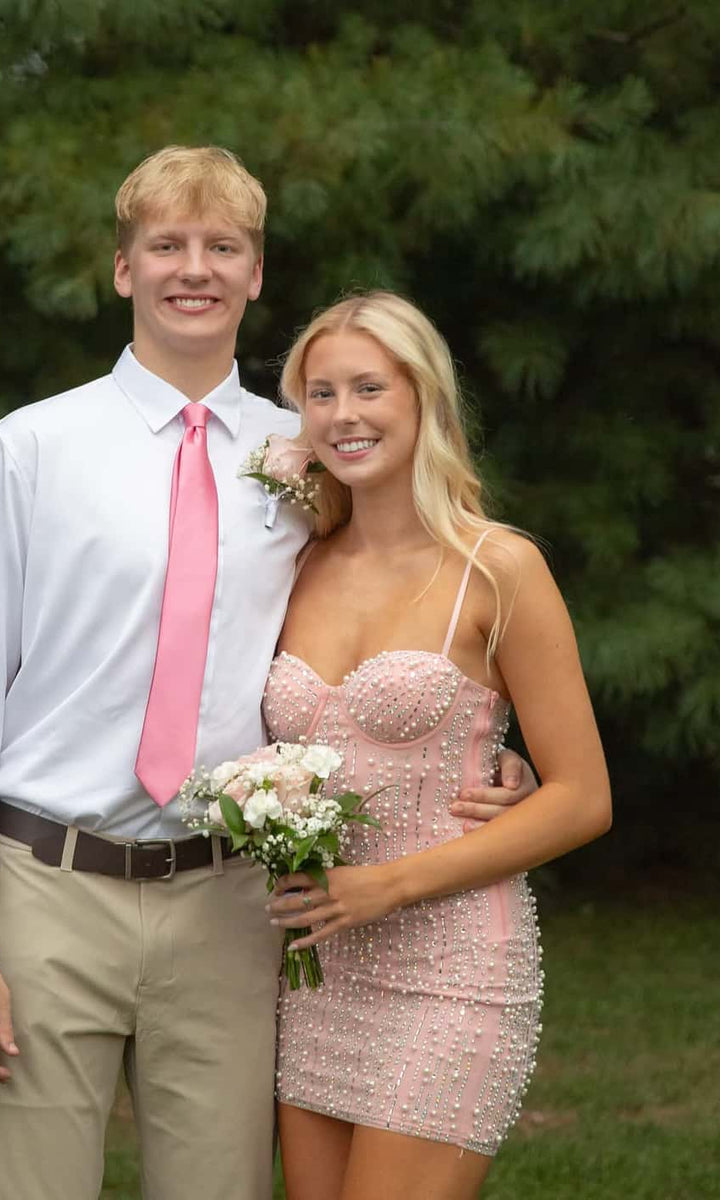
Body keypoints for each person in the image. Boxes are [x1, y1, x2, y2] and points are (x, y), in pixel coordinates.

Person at [0, 151, 531, 1200]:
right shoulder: (29, 449)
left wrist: (481, 755)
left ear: (255, 274)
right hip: (43, 890)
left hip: (230, 904)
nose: (193, 268)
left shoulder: (315, 452)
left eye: (222, 246)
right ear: (124, 269)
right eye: (166, 245)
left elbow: (382, 617)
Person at [264, 292, 612, 1200]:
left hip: (452, 968)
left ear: (424, 398)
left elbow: (583, 797)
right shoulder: (293, 564)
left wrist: (386, 884)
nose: (344, 414)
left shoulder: (498, 567)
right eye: (321, 393)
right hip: (316, 970)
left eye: (369, 388)